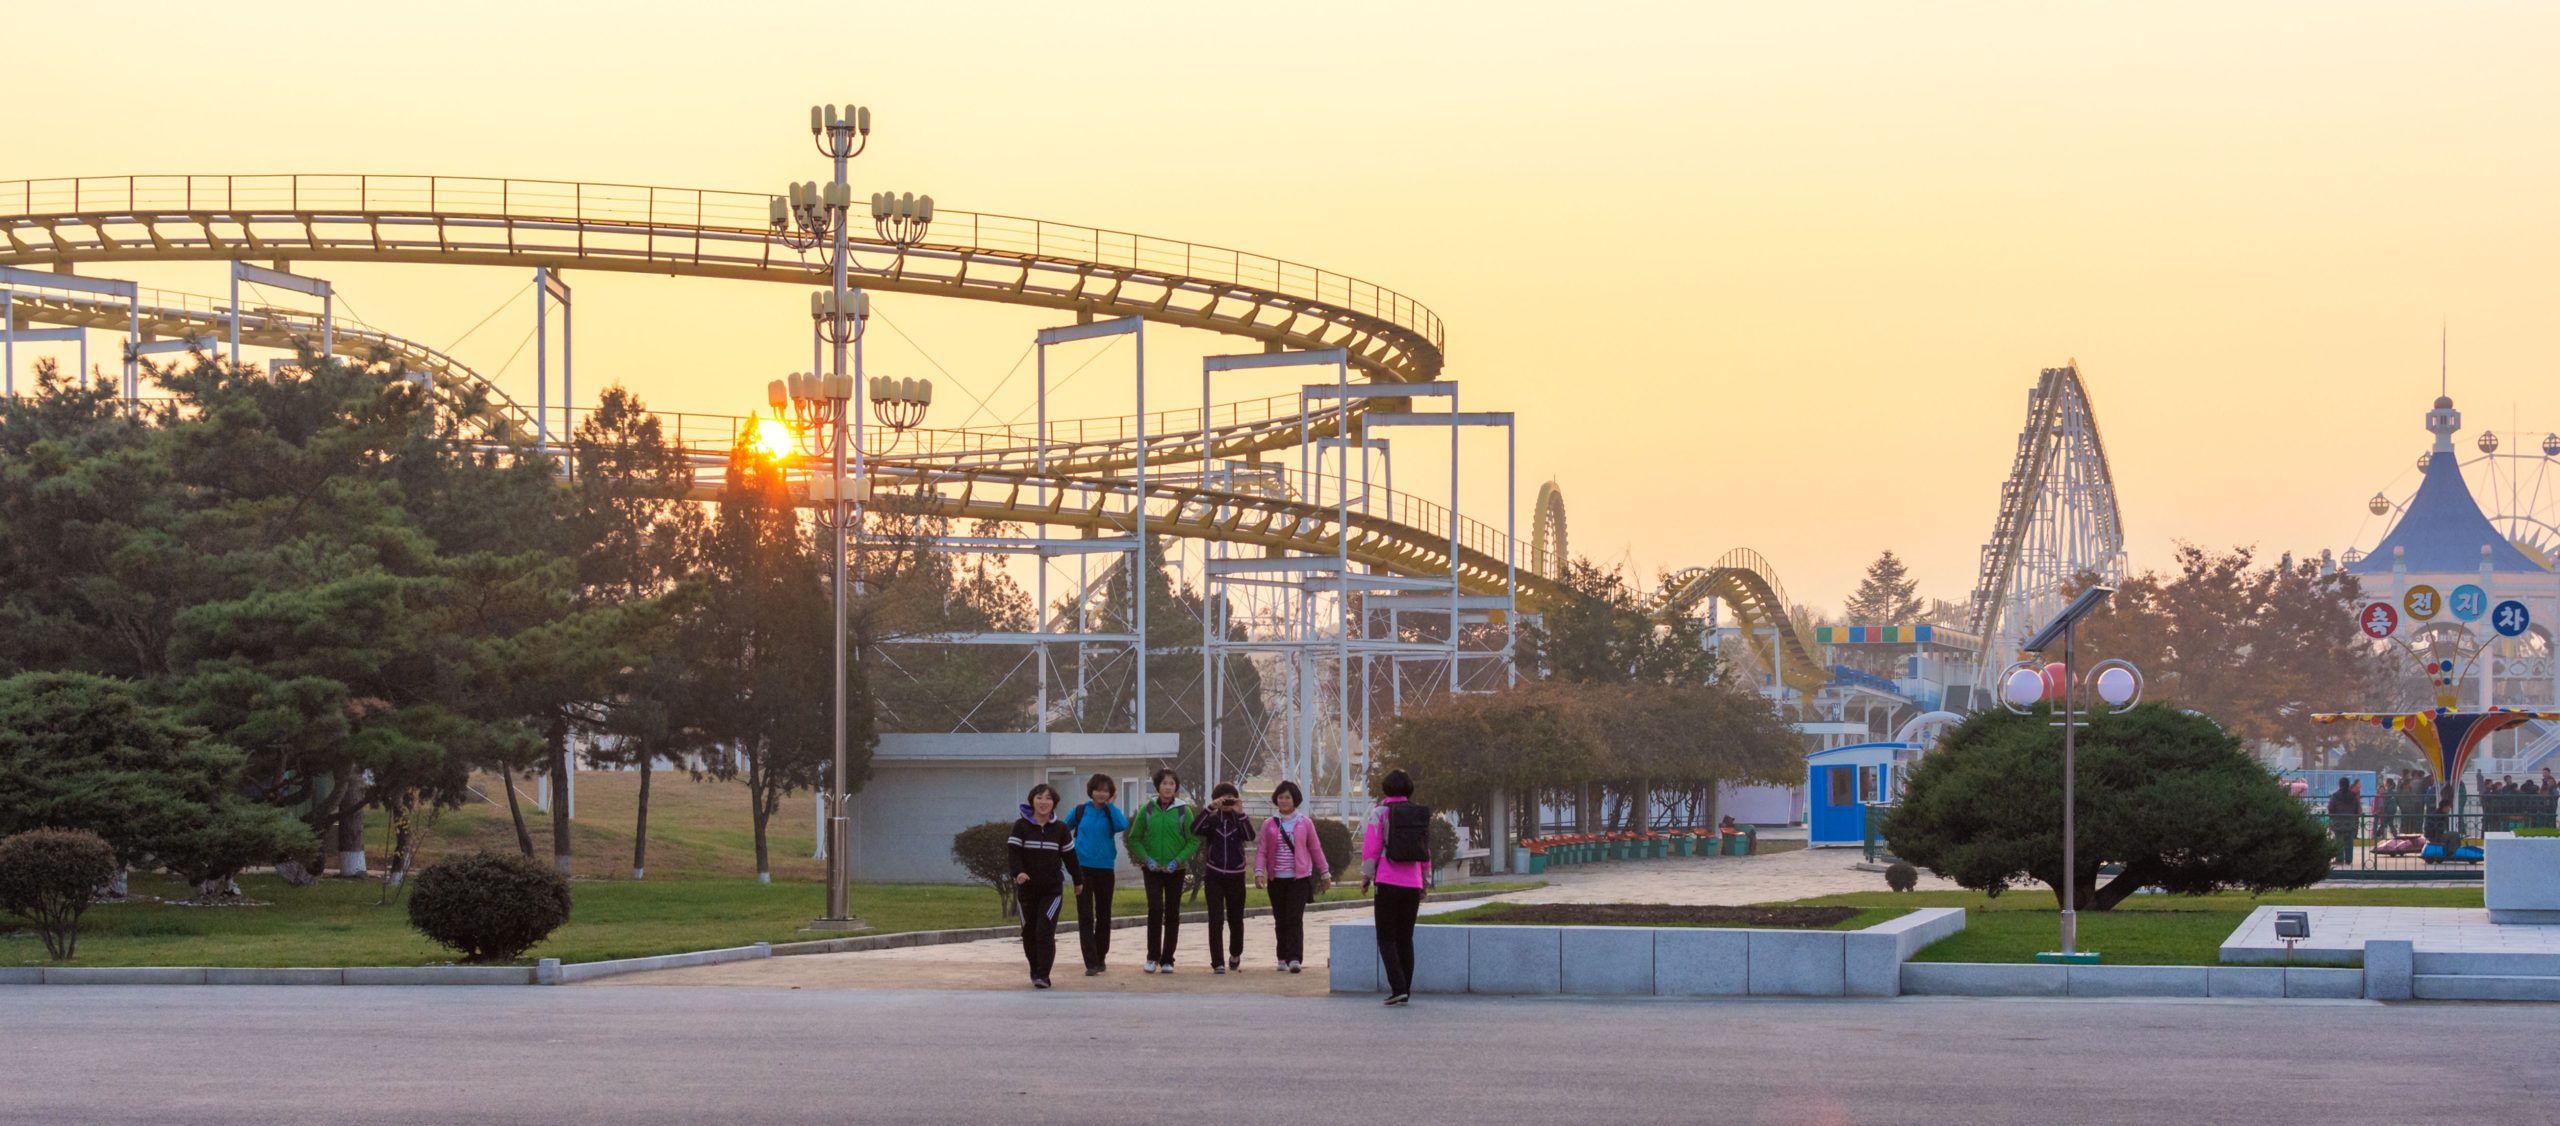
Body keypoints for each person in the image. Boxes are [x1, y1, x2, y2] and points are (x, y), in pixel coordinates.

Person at [1362, 768, 1429, 1006]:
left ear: (1386, 788)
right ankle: (1405, 989)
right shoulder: (1417, 813)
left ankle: (1398, 988)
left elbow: (1371, 847)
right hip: (1413, 882)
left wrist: (1366, 876)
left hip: (1387, 881)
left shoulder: (1380, 812)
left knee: (1386, 937)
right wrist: (1425, 879)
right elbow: (1425, 850)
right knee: (1405, 937)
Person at [1125, 768, 1199, 974]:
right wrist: (1147, 859)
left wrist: (1178, 860)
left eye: (1171, 784)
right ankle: (1152, 957)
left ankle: (1168, 959)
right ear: (1157, 786)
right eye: (1164, 783)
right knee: (1155, 910)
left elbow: (1193, 841)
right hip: (1152, 870)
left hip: (1176, 870)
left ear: (1176, 787)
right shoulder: (1147, 809)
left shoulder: (1183, 810)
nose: (1168, 787)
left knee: (1172, 913)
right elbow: (1134, 838)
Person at [1006, 783, 1078, 990]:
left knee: (1044, 930)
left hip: (1051, 890)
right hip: (1027, 890)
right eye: (1039, 797)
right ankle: (1035, 969)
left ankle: (1043, 974)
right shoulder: (1021, 826)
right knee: (1029, 932)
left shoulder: (1060, 829)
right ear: (1032, 800)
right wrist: (1018, 872)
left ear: (1054, 803)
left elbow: (1070, 857)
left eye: (1048, 798)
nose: (1043, 802)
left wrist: (1078, 880)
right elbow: (1014, 853)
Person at [1256, 780, 1332, 974]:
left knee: (1294, 918)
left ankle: (1295, 958)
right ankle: (1282, 957)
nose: (1283, 800)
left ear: (1294, 800)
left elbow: (1315, 849)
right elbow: (1262, 850)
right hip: (1276, 879)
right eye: (1280, 797)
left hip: (1299, 879)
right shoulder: (1269, 824)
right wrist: (1258, 872)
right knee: (1280, 918)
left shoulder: (1304, 823)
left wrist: (1325, 872)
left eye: (1287, 797)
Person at [1064, 773, 1130, 976]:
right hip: (1082, 868)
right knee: (1085, 915)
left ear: (1110, 794)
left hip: (1105, 869)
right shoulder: (1080, 810)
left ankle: (1101, 956)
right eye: (1098, 790)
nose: (1101, 794)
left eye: (1105, 791)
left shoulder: (1111, 812)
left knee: (1103, 915)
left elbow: (1122, 825)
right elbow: (1062, 829)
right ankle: (1090, 962)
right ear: (1091, 791)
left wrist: (1111, 806)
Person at [1191, 782, 1256, 974]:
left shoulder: (1239, 820)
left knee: (1236, 919)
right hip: (1214, 875)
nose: (1227, 802)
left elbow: (1250, 836)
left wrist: (1241, 813)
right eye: (1223, 798)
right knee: (1215, 919)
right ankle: (1217, 961)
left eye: (1230, 798)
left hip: (1236, 876)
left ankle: (1235, 954)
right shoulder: (1212, 820)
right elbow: (1194, 829)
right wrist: (1210, 808)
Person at [2326, 777, 2359, 863]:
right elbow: (2356, 808)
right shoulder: (2353, 796)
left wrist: (2333, 817)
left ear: (2340, 784)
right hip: (2350, 821)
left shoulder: (2335, 796)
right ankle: (2349, 859)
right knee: (2349, 841)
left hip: (2338, 821)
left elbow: (2331, 808)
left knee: (2339, 841)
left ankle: (2339, 859)